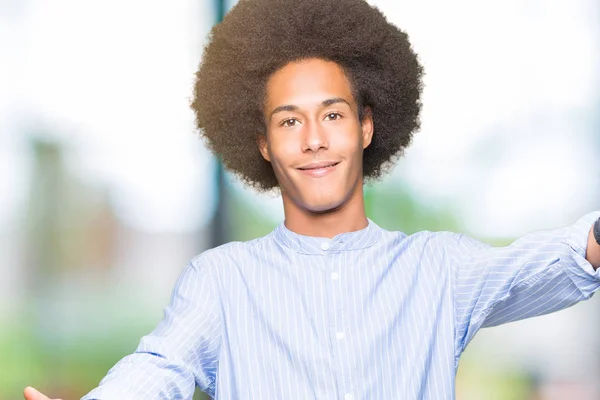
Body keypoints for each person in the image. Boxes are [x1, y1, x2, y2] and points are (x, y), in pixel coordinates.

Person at [24, 0, 600, 398]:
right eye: (289, 120)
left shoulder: (437, 269)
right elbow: (161, 365)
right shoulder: (222, 282)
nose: (315, 139)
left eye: (332, 114)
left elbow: (558, 257)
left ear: (367, 127)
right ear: (264, 144)